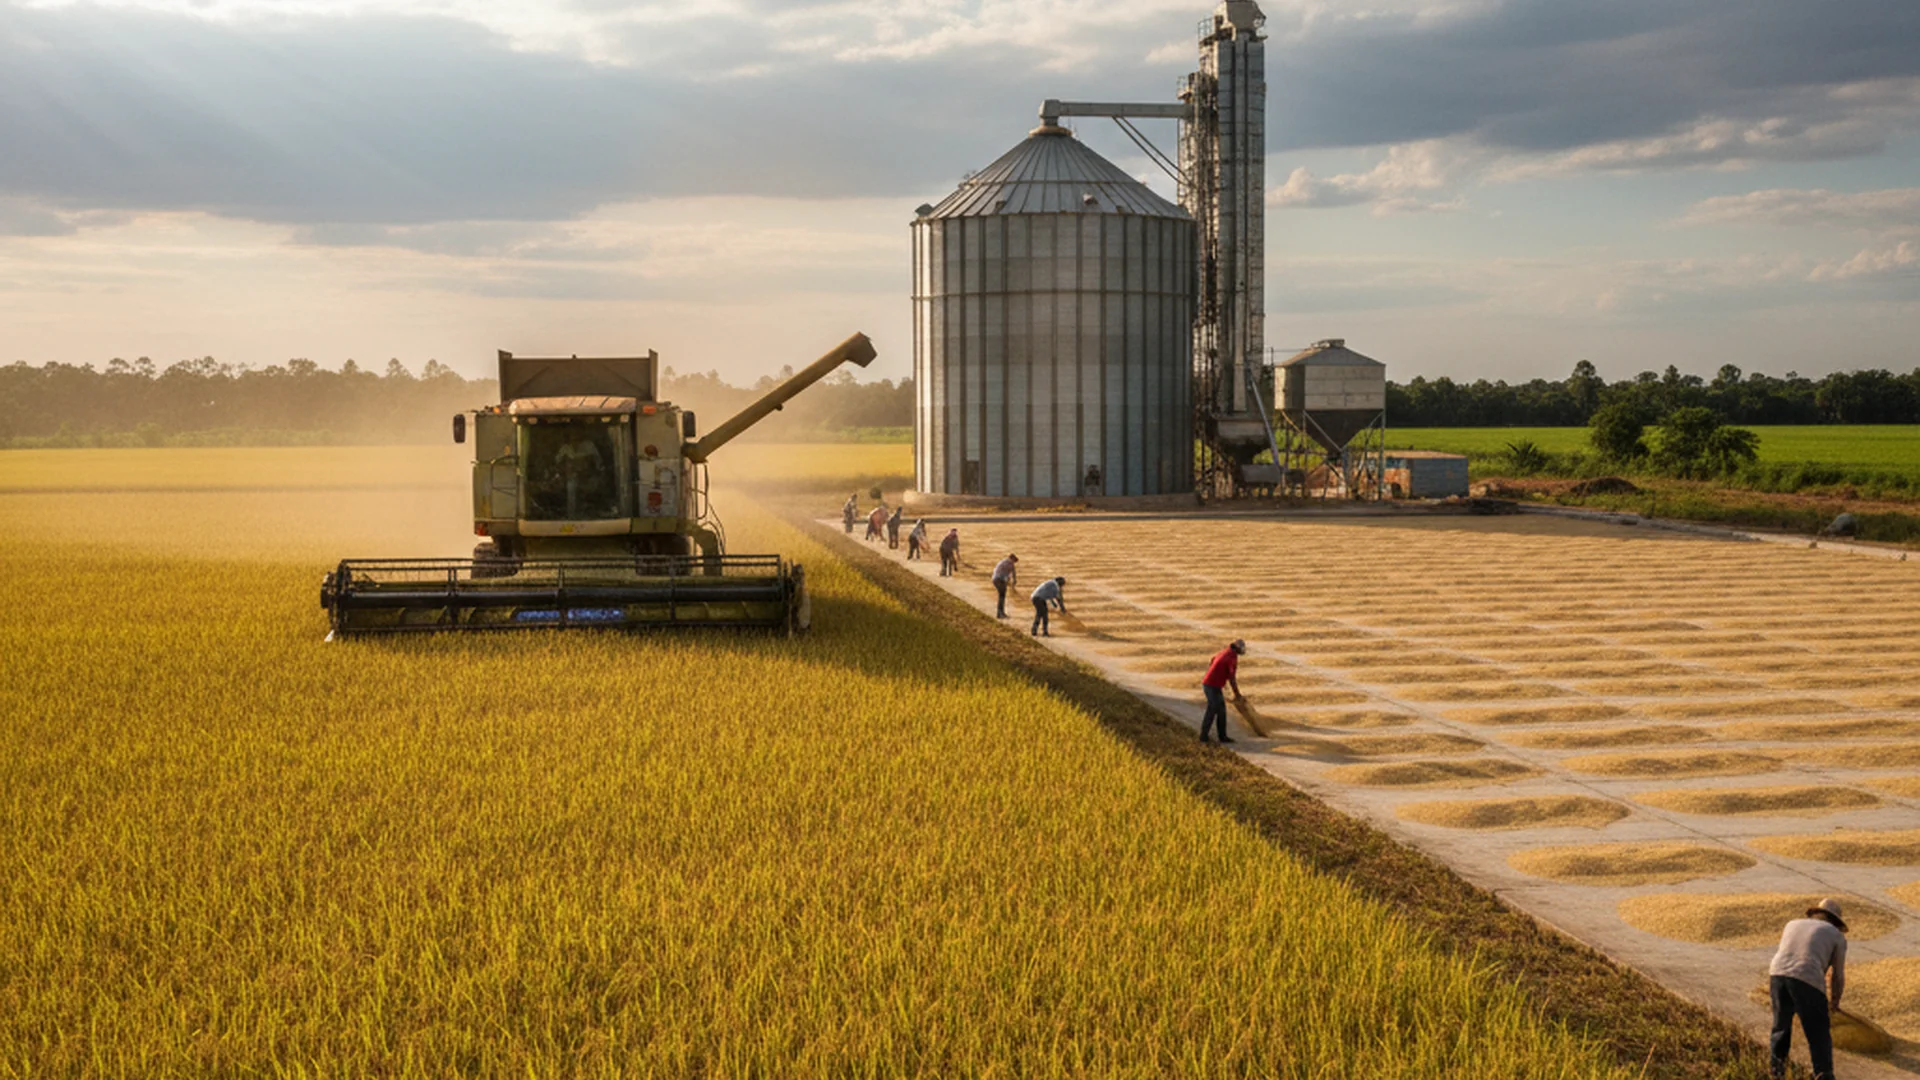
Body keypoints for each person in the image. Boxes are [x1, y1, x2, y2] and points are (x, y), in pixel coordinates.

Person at [1769, 898, 1849, 1080]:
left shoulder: (1792, 924)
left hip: (1777, 974)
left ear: (1815, 914)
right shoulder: (1836, 936)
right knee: (1818, 1031)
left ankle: (1777, 1070)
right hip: (1808, 977)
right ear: (1835, 921)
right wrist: (1834, 1002)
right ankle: (1823, 1075)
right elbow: (1837, 976)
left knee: (1781, 1026)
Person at [1199, 639, 1247, 744]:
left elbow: (1212, 660)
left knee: (1221, 711)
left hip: (1212, 684)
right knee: (1212, 710)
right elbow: (1232, 678)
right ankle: (1203, 736)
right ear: (1238, 648)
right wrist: (1237, 694)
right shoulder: (1230, 658)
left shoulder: (1226, 651)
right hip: (1211, 686)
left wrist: (1219, 676)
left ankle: (1222, 736)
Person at [990, 554, 1019, 618]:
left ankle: (1000, 613)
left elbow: (1013, 573)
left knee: (1002, 596)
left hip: (997, 579)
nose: (1014, 563)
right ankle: (1000, 613)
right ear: (1011, 558)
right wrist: (1009, 581)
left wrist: (1013, 580)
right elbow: (1004, 574)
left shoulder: (1006, 563)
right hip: (998, 580)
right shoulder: (1007, 564)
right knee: (1002, 596)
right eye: (1014, 561)